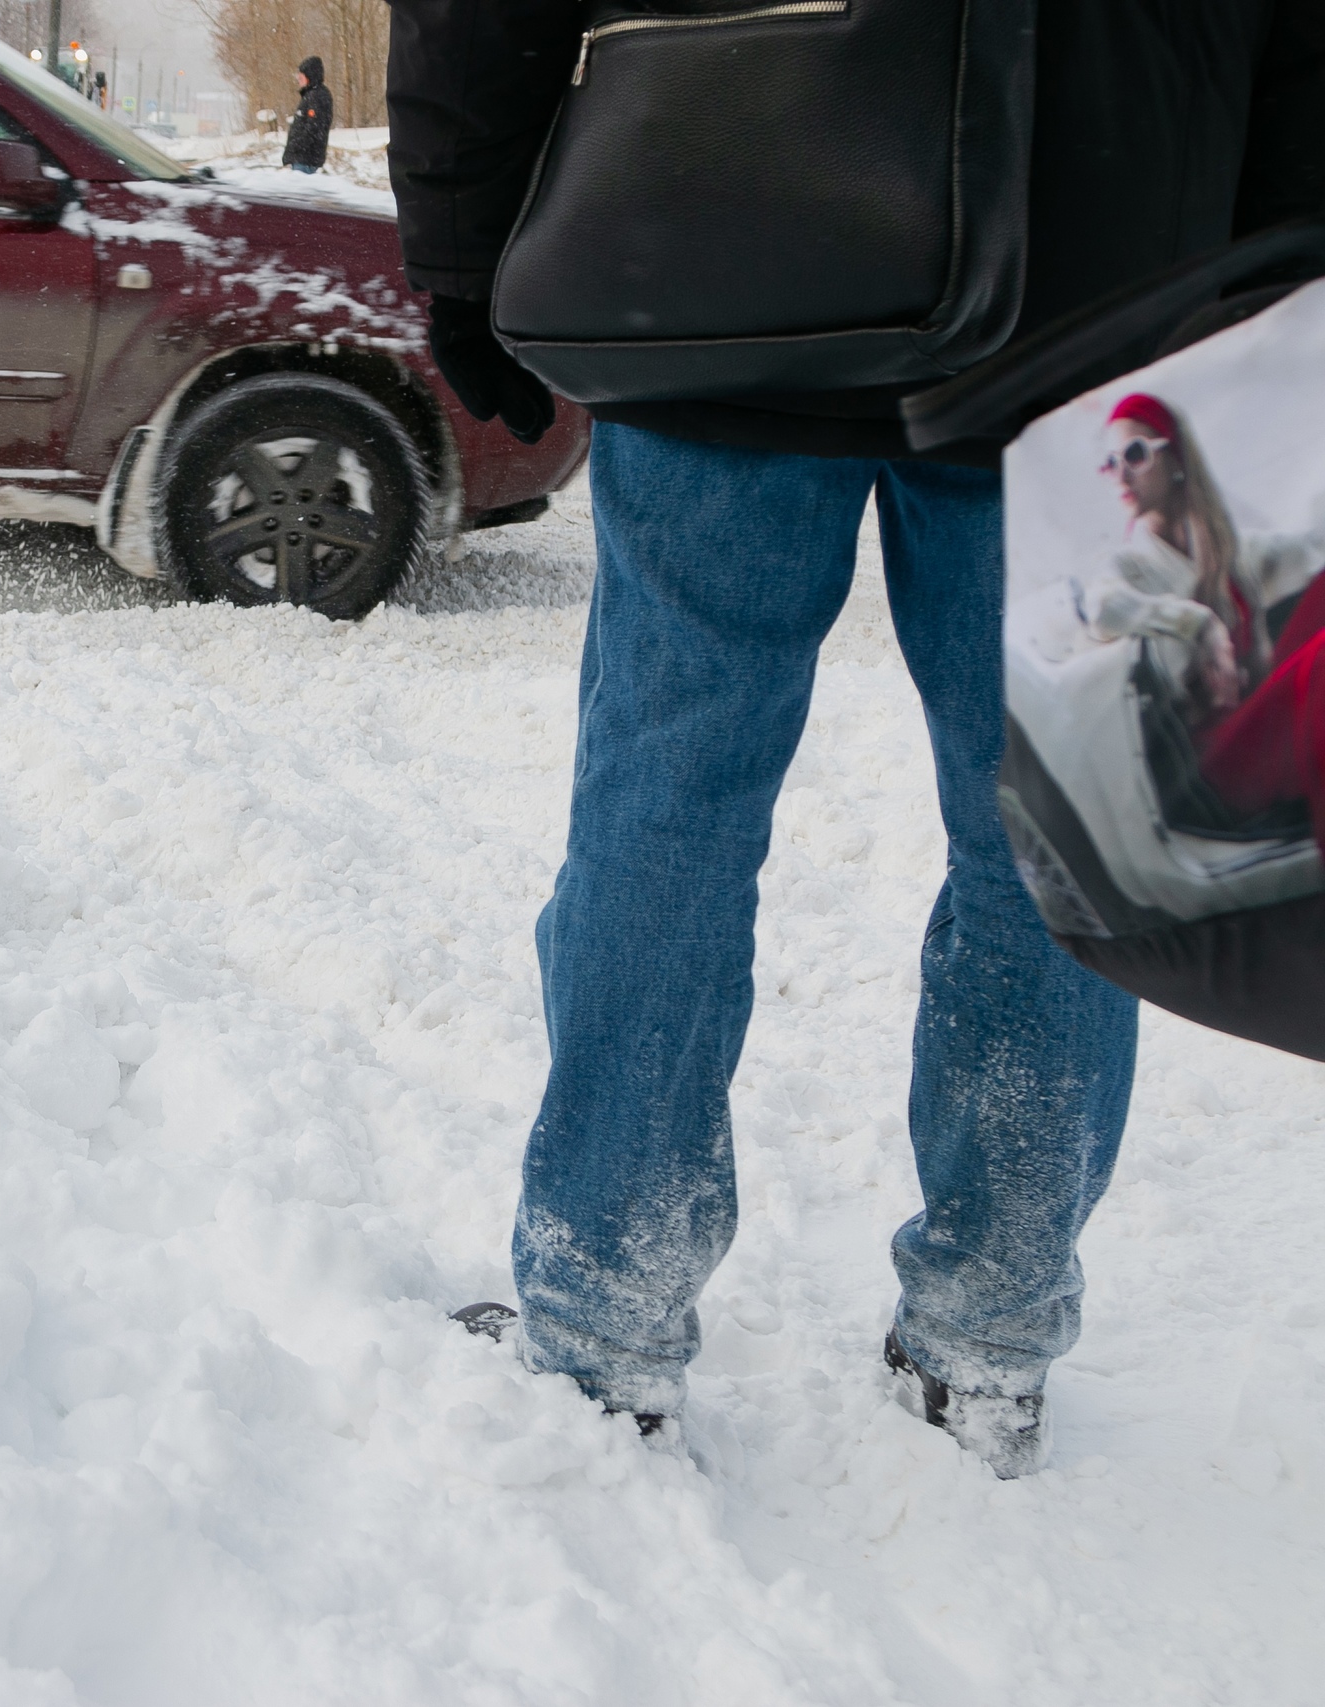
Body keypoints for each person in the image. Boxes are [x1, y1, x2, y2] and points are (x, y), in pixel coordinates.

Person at [387, 3, 1325, 1477]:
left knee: (667, 799)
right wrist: (1265, 275)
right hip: (1090, 289)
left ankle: (605, 1318)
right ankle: (988, 1335)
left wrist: (459, 238)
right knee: (1054, 826)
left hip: (716, 255)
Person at [1083, 392, 1325, 826]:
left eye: (1134, 455)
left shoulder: (1229, 549)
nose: (1119, 474)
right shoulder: (1128, 566)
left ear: (1175, 458)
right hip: (1220, 760)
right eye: (1109, 463)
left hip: (1262, 714)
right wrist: (1197, 622)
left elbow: (1307, 549)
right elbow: (1101, 607)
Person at [280, 56, 328, 174]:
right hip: (302, 158)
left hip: (305, 160)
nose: (298, 78)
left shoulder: (316, 97)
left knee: (300, 190)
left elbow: (312, 128)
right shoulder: (311, 95)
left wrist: (296, 146)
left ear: (310, 76)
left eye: (301, 75)